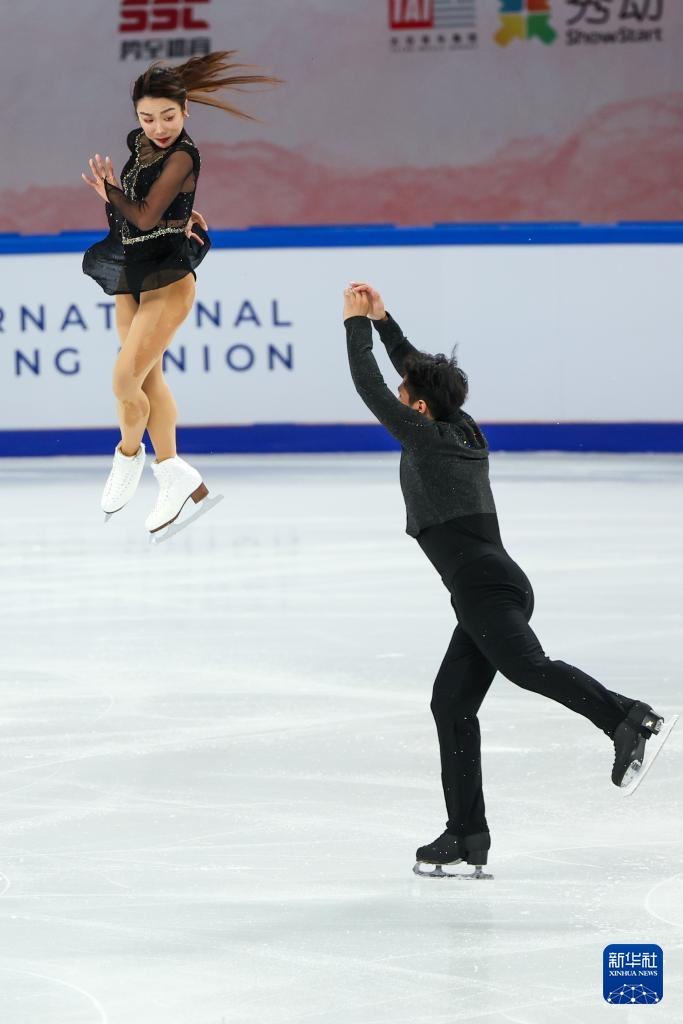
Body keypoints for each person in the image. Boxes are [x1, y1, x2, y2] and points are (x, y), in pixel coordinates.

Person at [342, 282, 667, 876]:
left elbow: (369, 386)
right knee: (451, 703)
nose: (399, 396)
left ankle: (626, 717)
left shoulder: (426, 438)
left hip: (483, 587)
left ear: (418, 410)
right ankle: (466, 835)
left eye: (406, 396)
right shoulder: (464, 428)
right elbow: (418, 374)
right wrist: (386, 321)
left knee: (529, 669)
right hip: (490, 585)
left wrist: (355, 325)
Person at [82, 52, 279, 533]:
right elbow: (144, 212)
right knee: (147, 381)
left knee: (123, 382)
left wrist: (109, 191)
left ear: (186, 109)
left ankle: (129, 456)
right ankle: (173, 472)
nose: (159, 127)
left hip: (168, 281)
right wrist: (176, 210)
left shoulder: (184, 155)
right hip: (131, 274)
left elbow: (143, 214)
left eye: (168, 116)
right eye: (147, 117)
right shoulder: (139, 143)